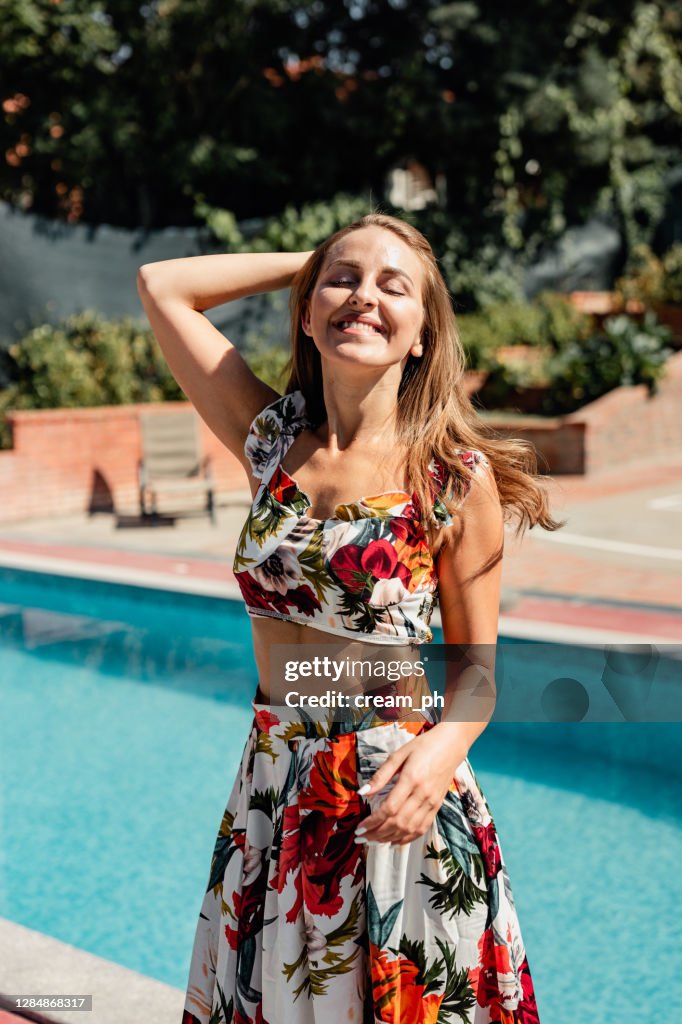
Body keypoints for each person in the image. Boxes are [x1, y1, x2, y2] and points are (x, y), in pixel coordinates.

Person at [137, 213, 560, 1024]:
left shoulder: (452, 479)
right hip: (273, 781)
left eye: (394, 288)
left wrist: (442, 750)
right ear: (305, 310)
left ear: (423, 336)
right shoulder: (270, 440)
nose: (364, 297)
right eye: (344, 281)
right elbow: (165, 286)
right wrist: (324, 263)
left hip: (393, 791)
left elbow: (478, 680)